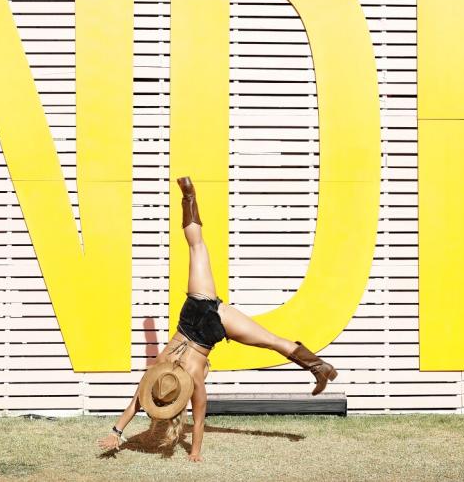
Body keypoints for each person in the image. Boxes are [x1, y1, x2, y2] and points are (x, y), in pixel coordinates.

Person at [96, 176, 337, 461]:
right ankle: (188, 196)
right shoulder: (158, 369)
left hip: (211, 330)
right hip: (196, 312)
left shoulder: (191, 378)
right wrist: (118, 431)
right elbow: (137, 406)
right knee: (196, 247)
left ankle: (320, 367)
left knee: (270, 341)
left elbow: (195, 418)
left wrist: (192, 452)